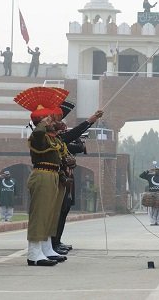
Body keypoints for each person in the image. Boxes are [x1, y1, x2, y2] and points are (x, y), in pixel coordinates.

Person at [13, 86, 72, 266]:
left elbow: (59, 155)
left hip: (54, 175)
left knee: (50, 214)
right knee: (40, 214)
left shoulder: (52, 137)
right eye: (52, 118)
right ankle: (33, 253)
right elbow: (38, 134)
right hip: (42, 174)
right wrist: (42, 123)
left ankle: (46, 248)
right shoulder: (38, 136)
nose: (56, 121)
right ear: (43, 121)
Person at [51, 103, 103, 254]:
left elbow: (78, 146)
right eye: (58, 121)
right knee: (57, 213)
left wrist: (79, 137)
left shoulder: (59, 139)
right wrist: (91, 120)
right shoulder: (49, 138)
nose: (61, 124)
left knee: (64, 210)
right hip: (57, 178)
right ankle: (52, 243)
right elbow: (73, 134)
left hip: (65, 178)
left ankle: (56, 242)